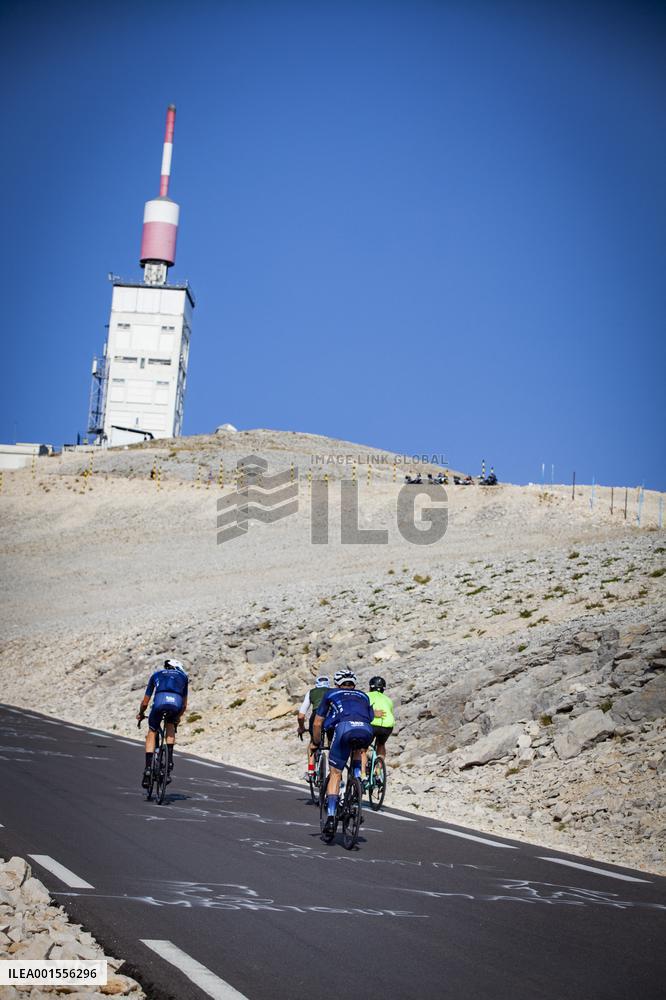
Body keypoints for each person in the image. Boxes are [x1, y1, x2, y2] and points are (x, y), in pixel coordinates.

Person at [313, 668, 374, 839]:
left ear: (337, 684)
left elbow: (318, 723)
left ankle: (331, 817)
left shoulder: (331, 694)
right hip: (366, 730)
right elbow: (369, 717)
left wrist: (317, 742)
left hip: (344, 729)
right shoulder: (364, 695)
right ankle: (357, 785)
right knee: (357, 750)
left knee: (335, 773)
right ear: (354, 684)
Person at [137, 658, 188, 788]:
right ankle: (169, 761)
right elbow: (184, 704)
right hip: (175, 704)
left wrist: (141, 713)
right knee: (170, 724)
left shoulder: (156, 675)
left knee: (152, 731)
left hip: (159, 702)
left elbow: (145, 702)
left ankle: (148, 769)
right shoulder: (183, 677)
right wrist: (178, 717)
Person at [296, 675, 330, 779]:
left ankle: (310, 772)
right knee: (332, 744)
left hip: (316, 717)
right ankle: (334, 772)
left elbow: (301, 716)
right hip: (330, 717)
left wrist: (301, 727)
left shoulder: (311, 692)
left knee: (313, 745)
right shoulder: (333, 691)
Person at [367, 675, 395, 763]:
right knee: (381, 744)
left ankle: (363, 770)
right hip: (387, 725)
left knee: (363, 746)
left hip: (371, 724)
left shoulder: (366, 696)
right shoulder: (388, 700)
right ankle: (379, 769)